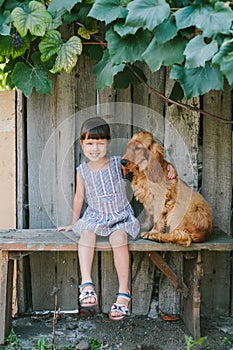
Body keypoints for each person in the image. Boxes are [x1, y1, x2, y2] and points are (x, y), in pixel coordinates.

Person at [57, 116, 175, 321]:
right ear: (82, 145)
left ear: (108, 144)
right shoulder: (82, 171)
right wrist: (74, 222)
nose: (94, 148)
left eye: (100, 143)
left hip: (120, 216)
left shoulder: (118, 163)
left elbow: (145, 167)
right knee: (85, 234)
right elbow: (79, 197)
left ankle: (123, 293)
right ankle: (86, 284)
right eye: (90, 143)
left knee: (119, 239)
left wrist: (167, 166)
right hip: (95, 216)